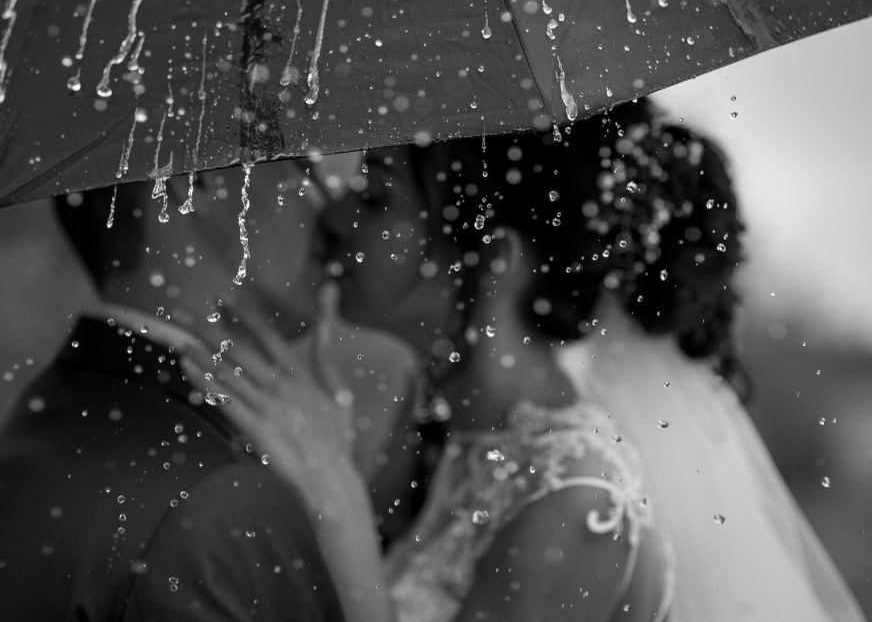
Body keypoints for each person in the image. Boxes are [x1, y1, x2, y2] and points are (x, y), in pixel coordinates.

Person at [184, 99, 866, 621]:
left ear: (493, 258)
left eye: (376, 198)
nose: (337, 221)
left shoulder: (575, 503)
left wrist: (335, 503)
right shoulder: (441, 439)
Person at [0, 162, 347, 621]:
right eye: (299, 166)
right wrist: (341, 507)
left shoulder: (16, 444)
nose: (333, 209)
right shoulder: (220, 499)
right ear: (192, 179)